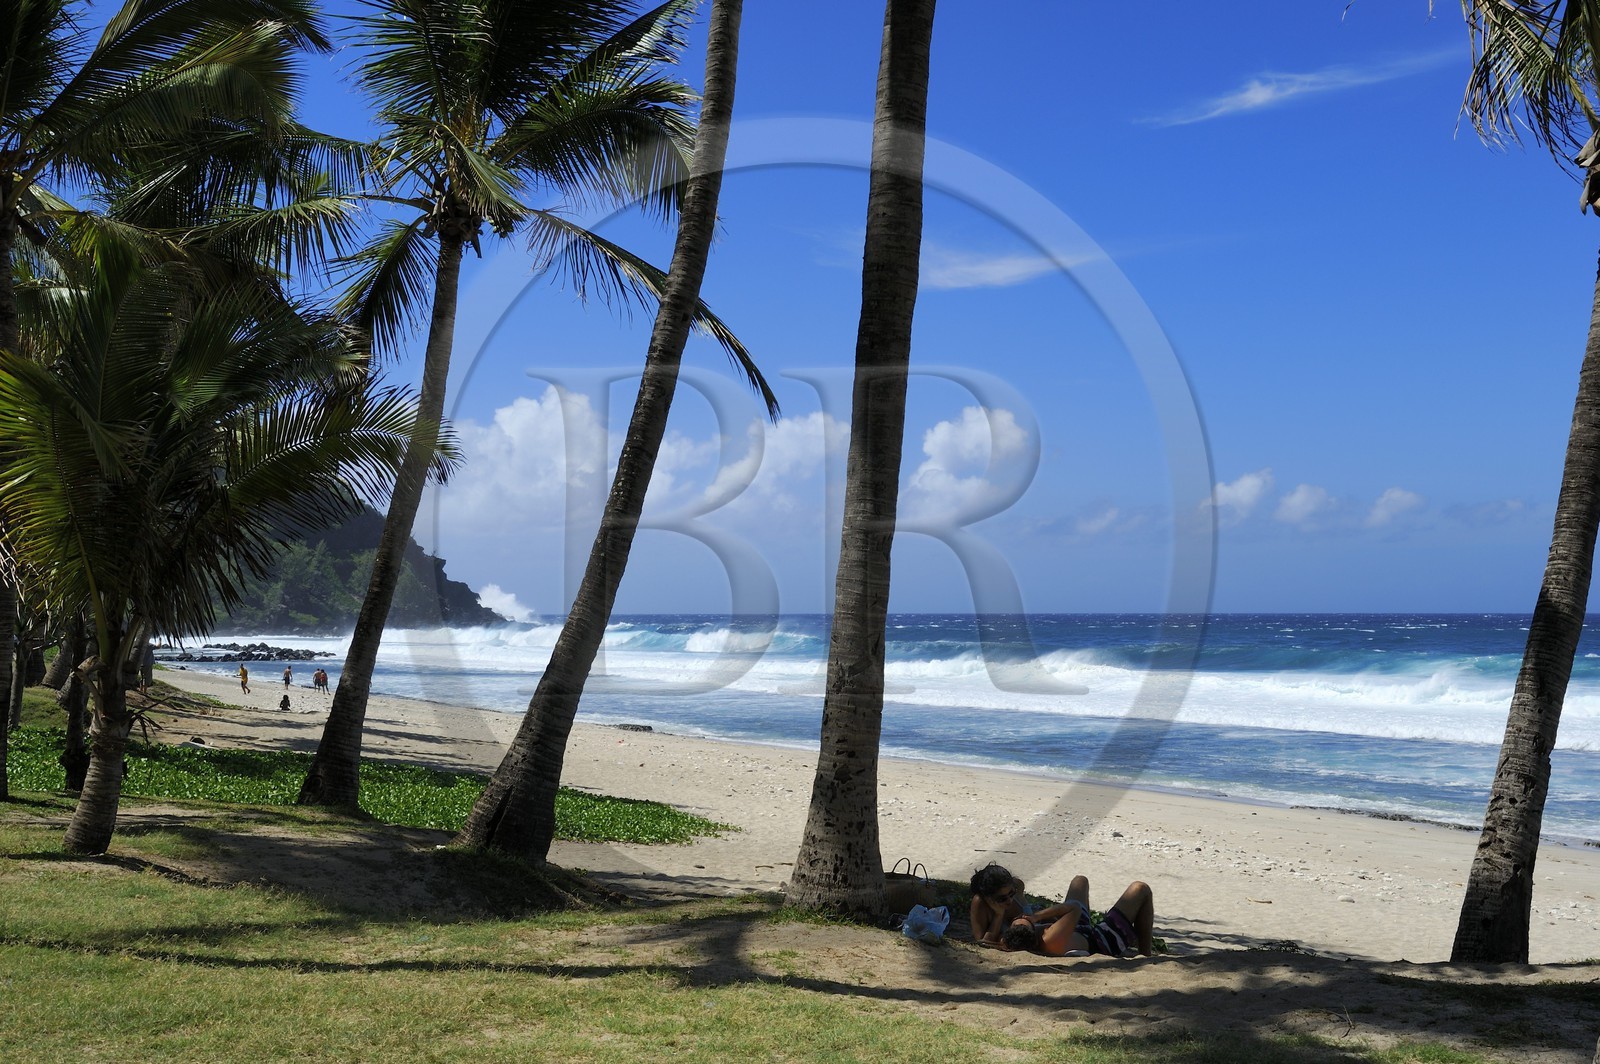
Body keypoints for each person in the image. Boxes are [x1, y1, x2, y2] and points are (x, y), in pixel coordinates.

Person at [1000, 876, 1156, 958]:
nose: (1022, 917)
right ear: (1032, 930)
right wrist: (1036, 916)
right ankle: (1145, 955)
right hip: (1101, 940)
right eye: (1024, 919)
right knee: (1140, 888)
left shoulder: (1009, 940)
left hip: (1078, 930)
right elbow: (1074, 909)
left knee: (1080, 881)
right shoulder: (1050, 939)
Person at [969, 862, 1030, 947]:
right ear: (988, 898)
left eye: (1012, 893)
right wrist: (999, 915)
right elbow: (984, 943)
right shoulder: (980, 903)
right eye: (1002, 898)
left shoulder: (1017, 885)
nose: (1009, 900)